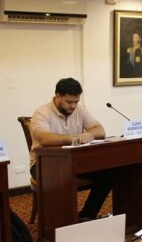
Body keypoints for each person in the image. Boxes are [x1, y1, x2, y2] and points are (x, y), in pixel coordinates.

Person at [30, 77, 113, 222]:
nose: (73, 106)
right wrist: (75, 137)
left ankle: (86, 215)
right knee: (63, 178)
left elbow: (100, 130)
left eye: (76, 102)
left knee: (109, 172)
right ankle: (59, 223)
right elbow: (45, 138)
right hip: (42, 164)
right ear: (58, 97)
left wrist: (86, 135)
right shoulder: (42, 113)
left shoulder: (79, 109)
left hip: (74, 161)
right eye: (69, 102)